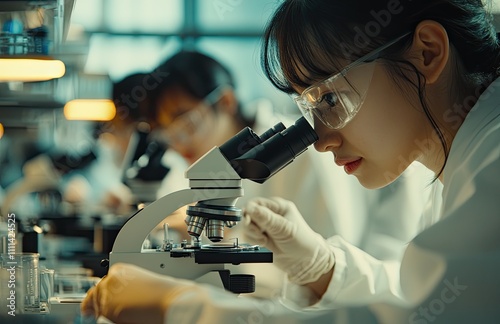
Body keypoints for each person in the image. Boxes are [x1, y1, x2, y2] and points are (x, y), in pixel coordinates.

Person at [81, 8, 500, 319]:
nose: (320, 139)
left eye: (332, 99)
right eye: (311, 107)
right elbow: (415, 297)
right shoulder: (460, 166)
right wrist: (324, 268)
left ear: (427, 52)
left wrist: (184, 309)